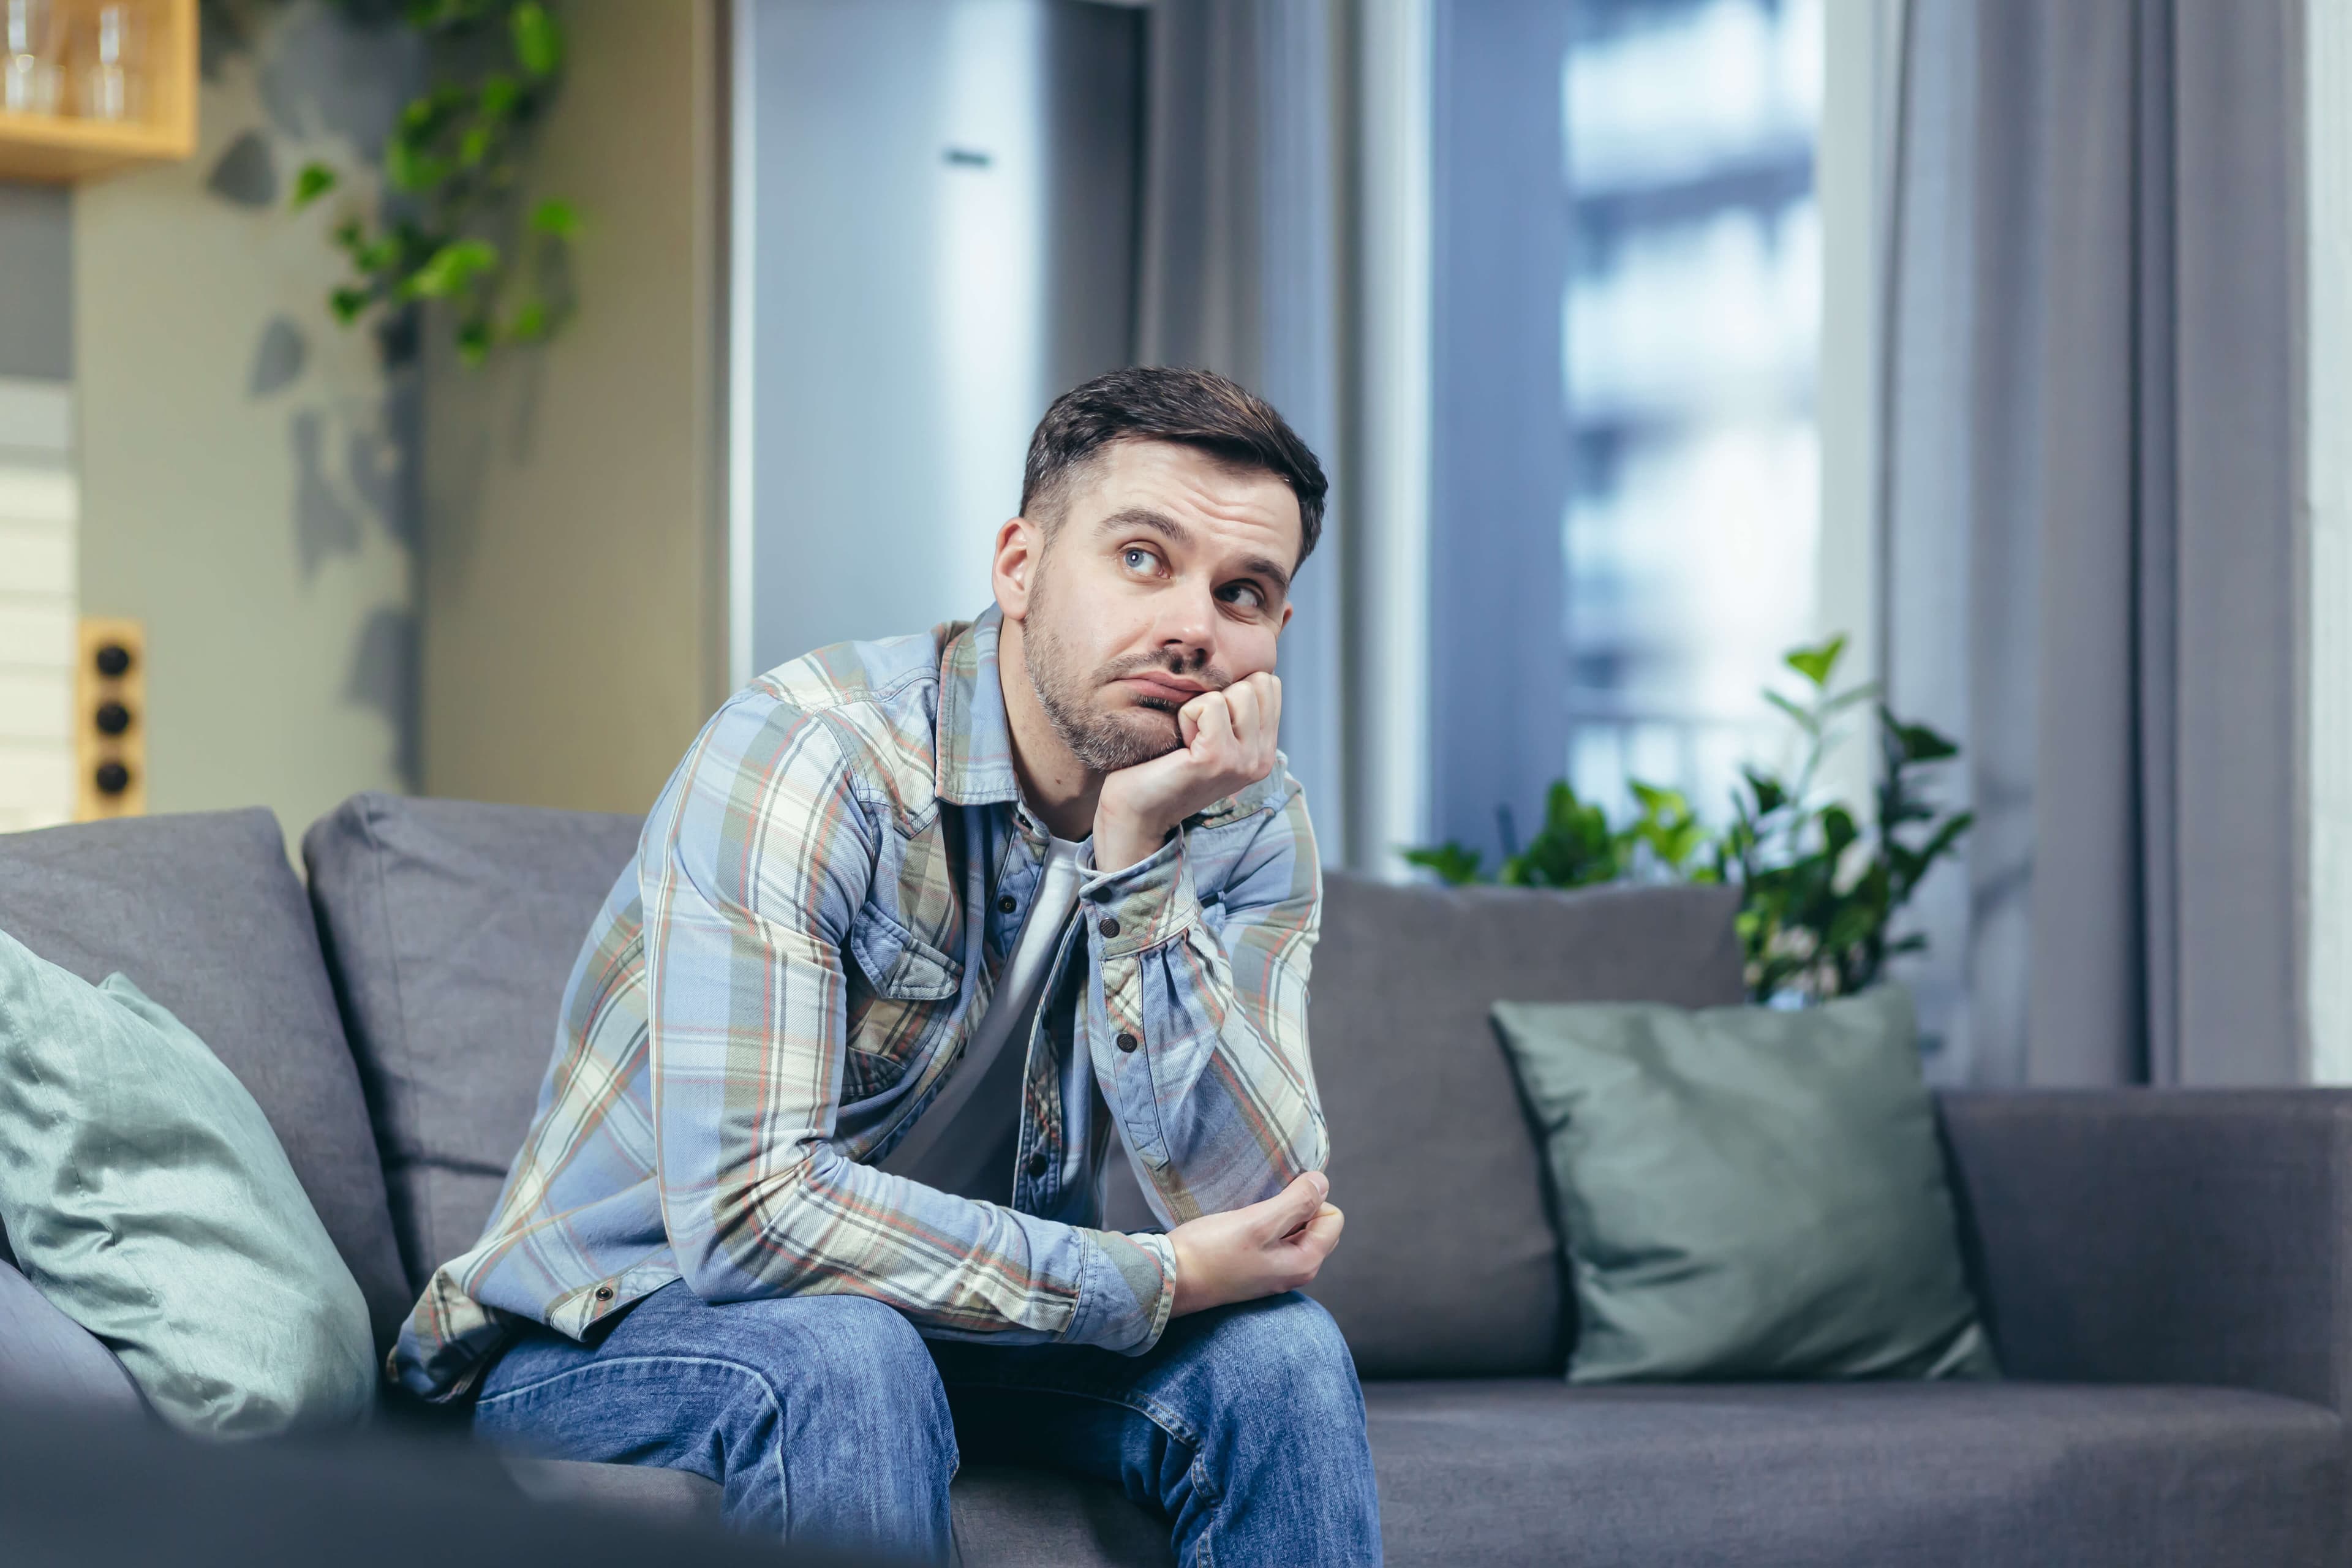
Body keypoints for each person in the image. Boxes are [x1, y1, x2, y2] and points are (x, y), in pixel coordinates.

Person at [389, 367, 1382, 1566]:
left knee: (1282, 1354)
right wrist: (1143, 1277)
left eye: (1242, 592)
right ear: (1019, 566)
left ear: (1278, 632)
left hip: (960, 1326)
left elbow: (1262, 1208)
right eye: (1141, 557)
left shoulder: (1243, 816)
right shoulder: (814, 754)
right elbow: (748, 1218)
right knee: (849, 1349)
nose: (1193, 627)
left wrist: (1142, 865)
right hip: (624, 1324)